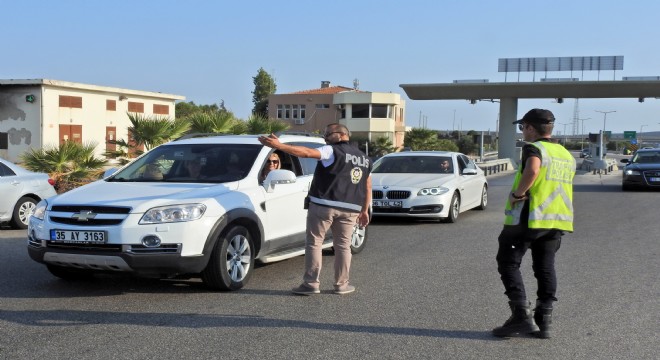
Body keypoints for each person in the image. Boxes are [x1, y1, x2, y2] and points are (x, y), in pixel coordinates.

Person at [258, 123, 371, 295]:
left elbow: (307, 153)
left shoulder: (332, 150)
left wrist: (279, 146)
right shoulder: (364, 158)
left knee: (315, 243)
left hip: (324, 204)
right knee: (343, 246)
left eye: (328, 134)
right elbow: (368, 186)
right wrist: (364, 210)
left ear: (341, 135)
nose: (325, 138)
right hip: (351, 208)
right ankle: (342, 285)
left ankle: (311, 284)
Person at [492, 109, 575, 339]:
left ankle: (521, 316)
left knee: (507, 262)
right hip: (556, 220)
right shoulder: (565, 154)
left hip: (528, 218)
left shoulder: (534, 148)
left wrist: (518, 194)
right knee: (545, 267)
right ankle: (544, 321)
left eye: (522, 127)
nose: (522, 132)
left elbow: (534, 169)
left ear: (530, 128)